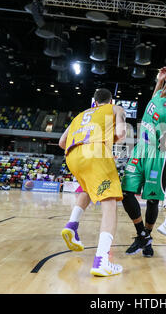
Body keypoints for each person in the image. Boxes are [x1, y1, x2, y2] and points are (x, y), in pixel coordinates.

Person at [58, 88, 127, 276]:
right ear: (111, 101)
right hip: (96, 152)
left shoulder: (80, 115)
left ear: (94, 101)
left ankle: (72, 225)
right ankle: (102, 260)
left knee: (88, 189)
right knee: (110, 204)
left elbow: (62, 143)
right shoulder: (116, 109)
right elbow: (121, 134)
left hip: (72, 157)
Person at [121, 66, 166, 257]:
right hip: (140, 149)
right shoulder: (157, 94)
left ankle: (146, 239)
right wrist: (159, 78)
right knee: (126, 193)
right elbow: (157, 90)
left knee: (152, 200)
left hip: (158, 156)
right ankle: (143, 235)